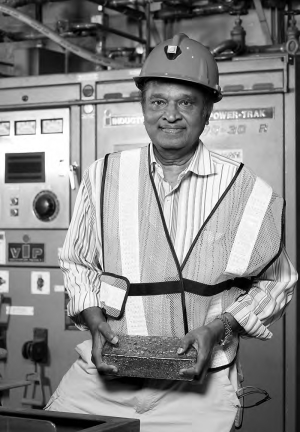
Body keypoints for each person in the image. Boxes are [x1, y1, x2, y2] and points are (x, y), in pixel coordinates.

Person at [45, 33, 297, 432]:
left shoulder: (248, 192)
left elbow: (278, 283)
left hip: (203, 381)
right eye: (158, 102)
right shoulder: (104, 177)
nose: (170, 115)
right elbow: (77, 262)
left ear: (208, 110)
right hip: (108, 375)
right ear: (143, 106)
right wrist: (94, 323)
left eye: (186, 102)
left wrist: (219, 329)